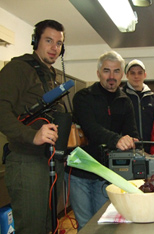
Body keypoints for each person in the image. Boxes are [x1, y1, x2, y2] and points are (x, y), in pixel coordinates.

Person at [0, 20, 66, 233]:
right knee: (32, 227)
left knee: (48, 224)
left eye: (58, 43)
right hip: (25, 161)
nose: (54, 47)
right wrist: (31, 135)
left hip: (47, 161)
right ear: (35, 41)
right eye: (48, 40)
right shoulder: (18, 68)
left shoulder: (51, 76)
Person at [64, 51, 139, 230]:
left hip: (107, 174)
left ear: (122, 74)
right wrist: (117, 139)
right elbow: (91, 128)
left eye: (116, 71)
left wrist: (132, 140)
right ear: (98, 73)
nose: (111, 76)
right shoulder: (83, 97)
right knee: (85, 225)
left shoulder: (125, 101)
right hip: (79, 172)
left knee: (104, 225)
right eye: (106, 71)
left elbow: (132, 132)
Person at [122, 59, 154, 153]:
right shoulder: (120, 97)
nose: (136, 76)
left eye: (139, 73)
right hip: (126, 150)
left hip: (149, 150)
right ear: (127, 75)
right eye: (132, 73)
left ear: (144, 75)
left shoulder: (152, 99)